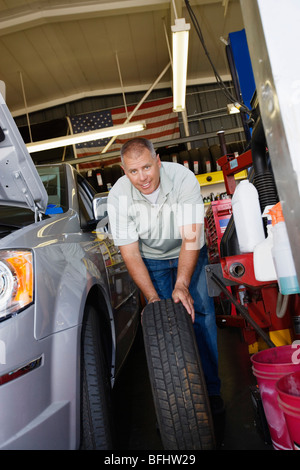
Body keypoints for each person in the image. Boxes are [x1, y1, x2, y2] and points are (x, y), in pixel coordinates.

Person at [107, 137, 222, 407]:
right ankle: (176, 402)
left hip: (190, 250)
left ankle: (212, 391)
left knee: (201, 316)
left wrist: (182, 283)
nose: (142, 177)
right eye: (133, 171)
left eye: (147, 167)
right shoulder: (118, 196)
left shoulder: (183, 179)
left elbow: (191, 239)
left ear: (158, 161)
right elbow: (130, 253)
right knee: (163, 323)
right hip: (152, 260)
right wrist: (153, 299)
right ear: (124, 170)